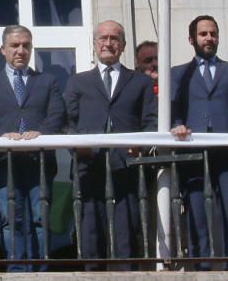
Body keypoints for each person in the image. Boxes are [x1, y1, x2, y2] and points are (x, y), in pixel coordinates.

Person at [171, 15, 228, 271]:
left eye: (213, 33)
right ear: (192, 39)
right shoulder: (178, 73)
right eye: (203, 34)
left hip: (227, 148)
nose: (209, 38)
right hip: (192, 149)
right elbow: (171, 106)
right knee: (196, 212)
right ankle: (201, 268)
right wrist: (177, 124)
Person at [64, 21, 157, 270]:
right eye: (102, 38)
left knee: (127, 237)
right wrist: (77, 146)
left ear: (123, 45)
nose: (108, 43)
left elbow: (151, 122)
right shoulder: (78, 82)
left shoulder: (140, 82)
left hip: (126, 170)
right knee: (90, 236)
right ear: (94, 44)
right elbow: (67, 123)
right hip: (88, 168)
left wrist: (140, 148)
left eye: (114, 38)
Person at [0, 25, 65, 271]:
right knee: (11, 221)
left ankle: (41, 271)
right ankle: (16, 271)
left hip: (40, 162)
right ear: (3, 50)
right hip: (5, 162)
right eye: (15, 45)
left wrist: (42, 133)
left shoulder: (47, 81)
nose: (21, 50)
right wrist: (1, 136)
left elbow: (57, 114)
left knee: (40, 219)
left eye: (26, 45)